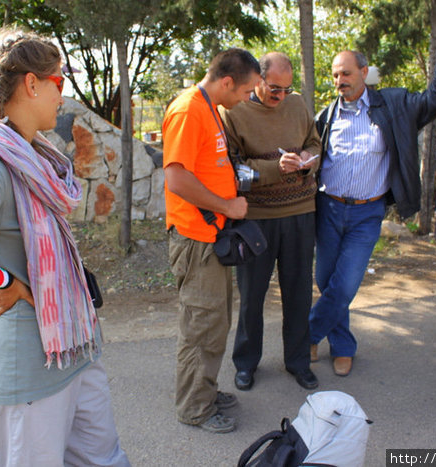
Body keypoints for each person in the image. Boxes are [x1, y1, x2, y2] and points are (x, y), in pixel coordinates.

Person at [0, 27, 130, 467]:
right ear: (31, 83)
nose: (62, 95)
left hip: (73, 344)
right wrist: (4, 279)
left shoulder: (34, 157)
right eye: (59, 82)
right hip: (31, 366)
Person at [311, 37, 436, 377]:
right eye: (336, 75)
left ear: (364, 72)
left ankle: (307, 336)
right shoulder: (325, 117)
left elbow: (434, 100)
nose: (340, 81)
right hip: (328, 208)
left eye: (347, 74)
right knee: (326, 281)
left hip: (367, 214)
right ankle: (341, 345)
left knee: (346, 284)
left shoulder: (394, 104)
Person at [162, 48, 261, 433]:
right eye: (246, 90)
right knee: (201, 326)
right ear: (227, 82)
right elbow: (176, 179)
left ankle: (203, 389)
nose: (247, 98)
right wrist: (227, 206)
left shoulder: (210, 107)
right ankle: (194, 408)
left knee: (215, 322)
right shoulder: (189, 110)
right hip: (196, 240)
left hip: (212, 238)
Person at [219, 52, 321, 391]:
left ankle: (298, 362)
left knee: (299, 294)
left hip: (300, 214)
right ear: (258, 80)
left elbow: (314, 143)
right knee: (251, 296)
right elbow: (233, 173)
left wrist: (307, 160)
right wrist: (274, 169)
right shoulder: (235, 111)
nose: (281, 96)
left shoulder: (297, 104)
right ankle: (246, 363)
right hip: (256, 220)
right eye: (274, 88)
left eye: (287, 88)